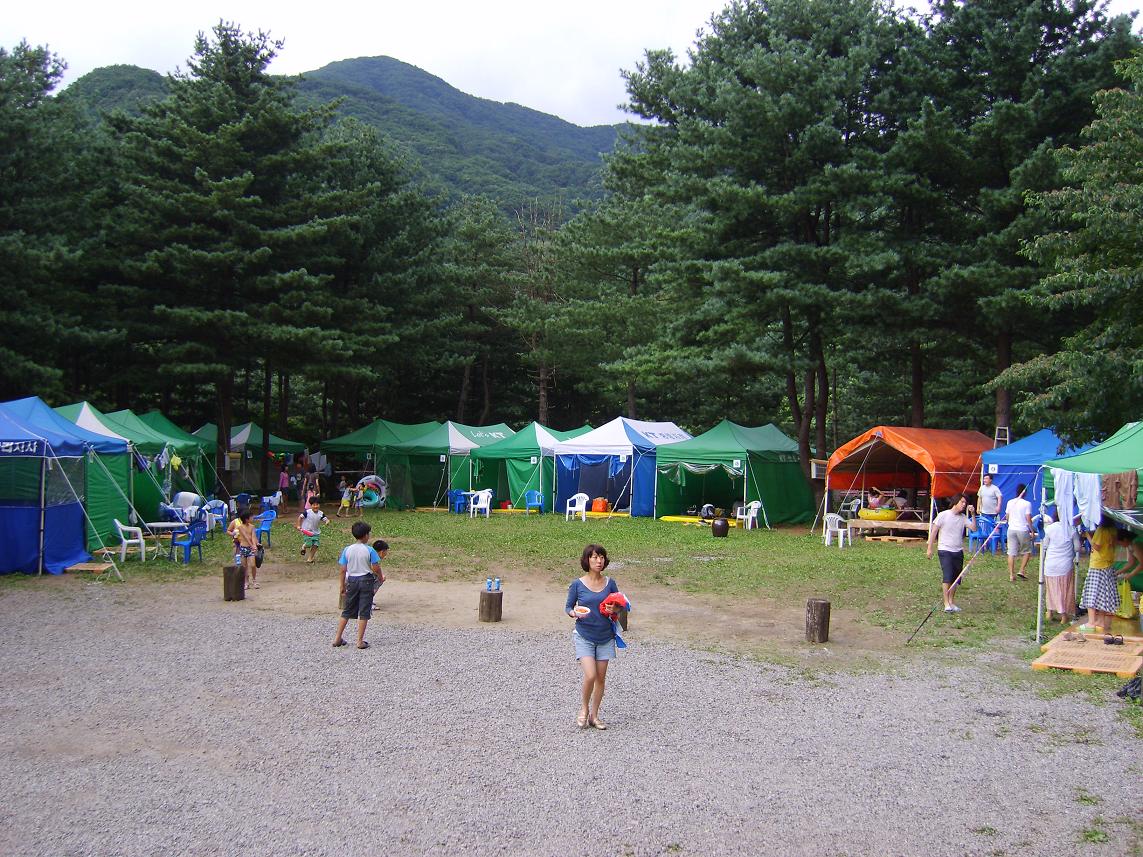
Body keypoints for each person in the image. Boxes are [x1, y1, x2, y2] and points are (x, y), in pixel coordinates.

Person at [564, 544, 621, 730]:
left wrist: (615, 609)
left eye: (602, 557)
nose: (599, 561)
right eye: (595, 557)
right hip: (584, 635)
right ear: (587, 560)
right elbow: (568, 607)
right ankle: (584, 708)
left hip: (605, 636)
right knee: (590, 675)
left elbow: (620, 605)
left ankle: (594, 716)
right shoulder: (577, 584)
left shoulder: (610, 583)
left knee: (601, 679)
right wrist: (574, 613)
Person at [333, 521, 385, 650]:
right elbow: (375, 567)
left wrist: (342, 586)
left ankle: (338, 638)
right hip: (366, 580)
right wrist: (380, 577)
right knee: (364, 610)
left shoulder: (347, 549)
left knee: (347, 610)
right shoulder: (369, 550)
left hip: (352, 580)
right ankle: (360, 641)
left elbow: (343, 570)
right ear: (366, 535)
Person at [926, 494, 977, 613]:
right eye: (962, 502)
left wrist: (973, 514)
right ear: (955, 502)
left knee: (956, 578)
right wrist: (930, 548)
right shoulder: (943, 515)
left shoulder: (963, 517)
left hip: (958, 551)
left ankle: (951, 602)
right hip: (945, 550)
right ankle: (946, 603)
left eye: (965, 503)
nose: (964, 505)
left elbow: (974, 528)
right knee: (948, 576)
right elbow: (934, 532)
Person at [1079, 524, 1123, 633]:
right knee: (1104, 594)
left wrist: (1087, 536)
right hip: (1108, 564)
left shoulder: (1101, 529)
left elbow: (1097, 546)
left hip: (1097, 565)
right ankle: (1101, 621)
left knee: (1091, 594)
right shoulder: (1113, 529)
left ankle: (1091, 622)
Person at [1040, 511, 1078, 624]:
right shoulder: (1071, 529)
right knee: (1064, 591)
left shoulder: (1049, 529)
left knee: (1051, 589)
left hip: (1050, 563)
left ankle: (1050, 612)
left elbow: (1045, 545)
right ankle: (1063, 614)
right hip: (1065, 565)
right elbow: (1077, 547)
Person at [1003, 484, 1035, 582]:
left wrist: (1010, 523)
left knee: (1011, 552)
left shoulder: (1010, 502)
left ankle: (1011, 575)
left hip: (1011, 529)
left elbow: (1007, 516)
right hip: (1022, 529)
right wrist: (1032, 530)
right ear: (1025, 492)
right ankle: (1021, 570)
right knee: (1027, 551)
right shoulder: (1027, 504)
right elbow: (1028, 518)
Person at [227, 509, 259, 589]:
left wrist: (254, 545)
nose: (252, 518)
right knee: (244, 566)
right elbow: (246, 537)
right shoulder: (240, 527)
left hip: (250, 548)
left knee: (253, 565)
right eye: (251, 517)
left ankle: (254, 580)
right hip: (243, 548)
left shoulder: (252, 527)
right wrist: (252, 545)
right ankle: (246, 582)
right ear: (246, 519)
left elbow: (253, 536)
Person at [297, 496, 330, 564]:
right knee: (309, 544)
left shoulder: (321, 513)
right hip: (307, 531)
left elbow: (326, 519)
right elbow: (300, 517)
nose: (315, 506)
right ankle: (304, 547)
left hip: (316, 532)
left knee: (315, 545)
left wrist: (327, 522)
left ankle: (310, 559)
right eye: (314, 505)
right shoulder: (307, 512)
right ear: (311, 505)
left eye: (317, 504)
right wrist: (299, 526)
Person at [371, 538, 389, 608]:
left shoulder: (369, 552)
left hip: (351, 576)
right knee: (379, 579)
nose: (386, 554)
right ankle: (368, 601)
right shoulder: (373, 556)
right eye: (385, 552)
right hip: (361, 579)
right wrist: (381, 577)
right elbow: (375, 569)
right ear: (382, 552)